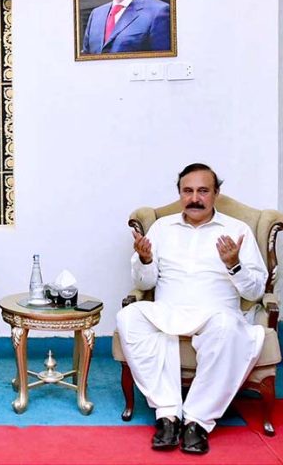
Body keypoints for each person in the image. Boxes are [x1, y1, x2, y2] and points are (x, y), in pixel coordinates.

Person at [116, 163, 266, 455]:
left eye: (203, 191)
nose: (195, 198)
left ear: (216, 194)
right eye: (188, 191)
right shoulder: (161, 227)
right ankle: (168, 414)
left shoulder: (238, 231)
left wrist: (233, 264)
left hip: (216, 314)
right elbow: (145, 282)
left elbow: (256, 290)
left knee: (227, 327)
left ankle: (197, 421)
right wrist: (145, 260)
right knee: (129, 316)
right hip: (169, 311)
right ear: (180, 193)